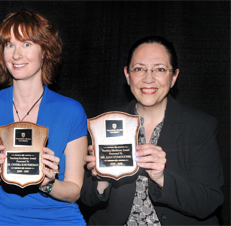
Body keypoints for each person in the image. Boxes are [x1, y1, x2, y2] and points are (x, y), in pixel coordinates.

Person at [81, 36, 224, 225]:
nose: (148, 79)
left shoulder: (200, 127)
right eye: (139, 69)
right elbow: (87, 199)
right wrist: (102, 178)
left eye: (160, 69)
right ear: (127, 75)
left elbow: (208, 202)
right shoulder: (106, 123)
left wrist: (162, 178)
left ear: (174, 77)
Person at [0, 9, 88, 225]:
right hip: (2, 219)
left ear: (45, 51)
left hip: (60, 219)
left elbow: (74, 191)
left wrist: (47, 182)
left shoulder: (72, 111)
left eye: (27, 44)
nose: (16, 54)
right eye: (9, 44)